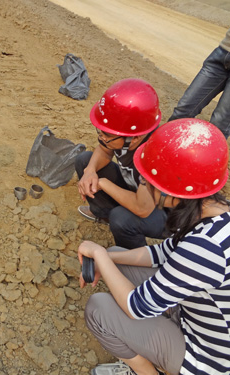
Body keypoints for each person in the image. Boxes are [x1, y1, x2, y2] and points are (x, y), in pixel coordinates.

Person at [79, 118, 230, 375]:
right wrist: (109, 258)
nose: (146, 186)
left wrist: (97, 253)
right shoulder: (212, 216)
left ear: (174, 189)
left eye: (150, 183)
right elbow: (160, 252)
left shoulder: (204, 249)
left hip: (209, 358)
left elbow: (135, 306)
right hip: (195, 317)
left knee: (99, 309)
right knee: (118, 257)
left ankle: (147, 371)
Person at [75, 78, 168, 249]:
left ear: (135, 138)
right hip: (136, 190)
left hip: (163, 212)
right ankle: (104, 215)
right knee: (85, 160)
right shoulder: (124, 135)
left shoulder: (153, 155)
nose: (101, 138)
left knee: (121, 218)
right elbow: (104, 150)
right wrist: (90, 171)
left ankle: (134, 254)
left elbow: (143, 208)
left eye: (107, 136)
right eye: (101, 132)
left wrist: (103, 183)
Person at [169, 28, 230, 138]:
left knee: (219, 125)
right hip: (222, 53)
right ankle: (161, 150)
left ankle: (207, 155)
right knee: (183, 111)